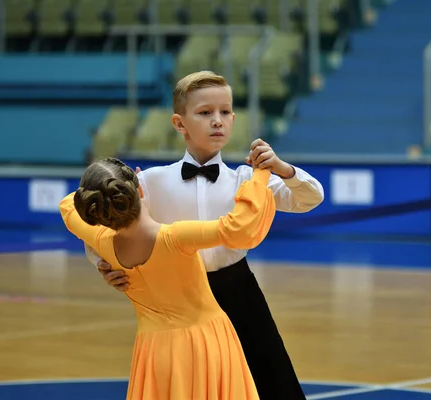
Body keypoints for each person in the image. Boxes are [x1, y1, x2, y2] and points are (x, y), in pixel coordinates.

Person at [90, 70, 323, 400]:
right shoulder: (150, 182)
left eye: (225, 112)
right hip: (178, 298)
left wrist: (284, 169)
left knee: (272, 377)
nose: (218, 121)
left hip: (238, 289)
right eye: (205, 112)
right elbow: (104, 230)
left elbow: (310, 198)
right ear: (179, 123)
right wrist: (106, 264)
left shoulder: (248, 178)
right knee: (191, 385)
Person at [60, 157, 277, 400]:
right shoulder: (175, 238)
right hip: (206, 343)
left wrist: (101, 261)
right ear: (140, 189)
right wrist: (260, 175)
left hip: (153, 351)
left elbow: (67, 206)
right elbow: (237, 228)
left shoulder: (103, 242)